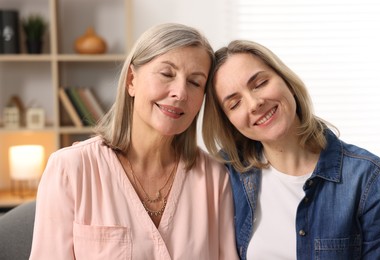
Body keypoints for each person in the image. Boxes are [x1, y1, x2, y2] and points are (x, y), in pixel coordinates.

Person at [29, 23, 238, 260]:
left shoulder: (214, 178)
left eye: (195, 82)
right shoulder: (70, 169)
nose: (180, 93)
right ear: (131, 80)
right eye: (167, 74)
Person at [202, 39, 380, 259]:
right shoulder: (224, 175)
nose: (254, 104)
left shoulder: (367, 178)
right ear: (229, 121)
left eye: (260, 83)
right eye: (234, 104)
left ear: (287, 81)